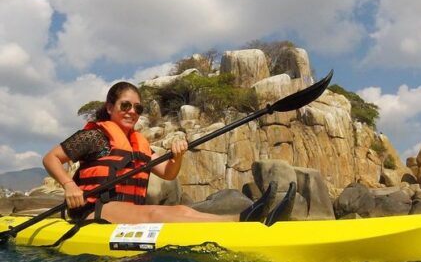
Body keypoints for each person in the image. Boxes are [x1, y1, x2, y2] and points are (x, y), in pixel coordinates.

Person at [43, 81, 295, 226]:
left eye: (138, 107)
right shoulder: (94, 136)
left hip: (128, 211)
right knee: (156, 213)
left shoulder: (137, 144)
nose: (132, 111)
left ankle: (247, 217)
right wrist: (68, 184)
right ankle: (243, 222)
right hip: (93, 211)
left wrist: (178, 156)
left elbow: (167, 173)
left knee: (182, 211)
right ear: (110, 107)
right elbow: (51, 158)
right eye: (125, 105)